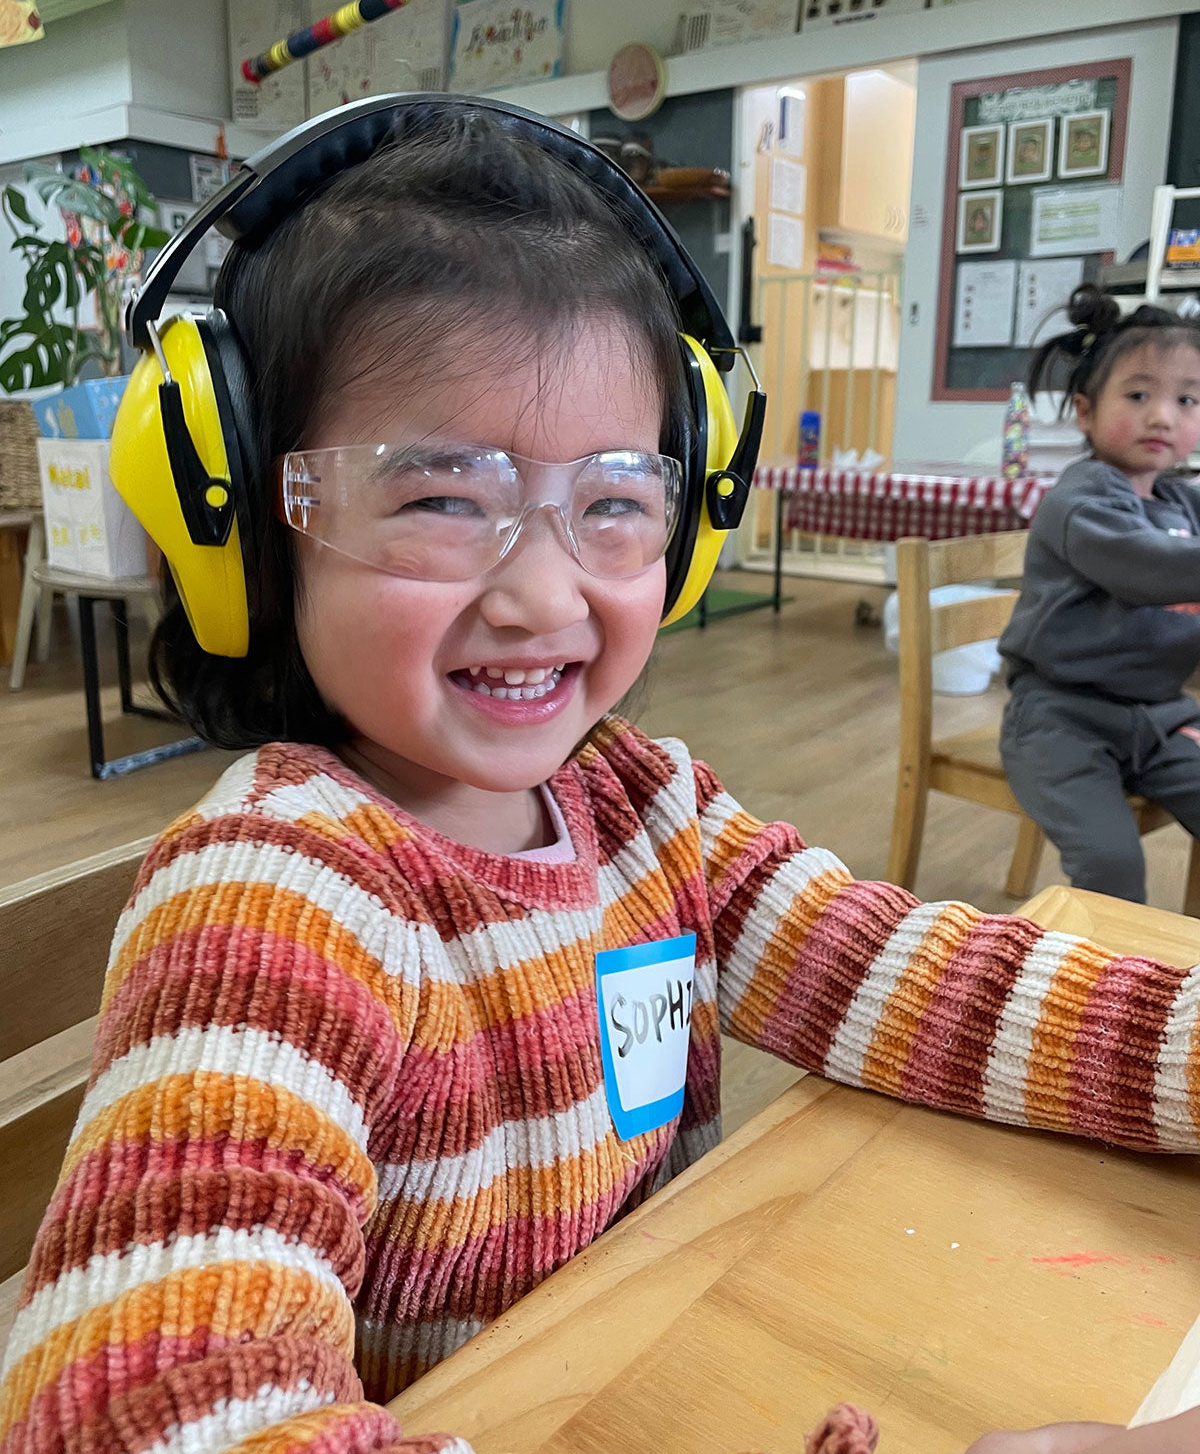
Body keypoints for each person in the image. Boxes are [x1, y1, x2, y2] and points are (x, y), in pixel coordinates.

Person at [1, 101, 1197, 1454]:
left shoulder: (644, 808)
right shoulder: (269, 907)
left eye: (616, 498)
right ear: (248, 520)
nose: (540, 591)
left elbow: (914, 983)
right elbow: (144, 1412)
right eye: (442, 496)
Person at [1000, 284, 1200, 904]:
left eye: (1187, 399)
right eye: (1138, 394)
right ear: (1085, 412)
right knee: (1113, 866)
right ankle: (1100, 992)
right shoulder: (1080, 499)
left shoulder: (1186, 504)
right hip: (1060, 716)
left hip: (1162, 716)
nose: (1162, 415)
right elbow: (1145, 568)